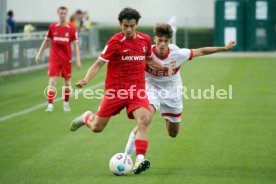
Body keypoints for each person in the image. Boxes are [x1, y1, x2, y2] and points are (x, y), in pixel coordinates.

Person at [70, 7, 171, 174]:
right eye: (125, 26)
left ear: (136, 24)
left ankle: (139, 160)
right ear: (120, 24)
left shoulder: (144, 40)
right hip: (115, 91)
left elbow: (149, 59)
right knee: (97, 127)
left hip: (137, 90)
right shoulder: (114, 42)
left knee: (144, 120)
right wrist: (86, 79)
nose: (129, 30)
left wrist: (163, 67)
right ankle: (86, 117)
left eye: (132, 26)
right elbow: (99, 64)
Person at [123, 23, 236, 159]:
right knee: (144, 120)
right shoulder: (146, 52)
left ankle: (166, 114)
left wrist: (224, 48)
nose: (162, 44)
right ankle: (126, 157)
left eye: (166, 41)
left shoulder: (177, 53)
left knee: (173, 133)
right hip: (150, 89)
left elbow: (201, 51)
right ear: (154, 40)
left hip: (172, 92)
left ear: (169, 41)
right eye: (160, 40)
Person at [35, 6, 81, 112]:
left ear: (67, 14)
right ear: (58, 14)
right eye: (60, 13)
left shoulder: (71, 29)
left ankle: (66, 103)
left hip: (66, 59)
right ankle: (50, 105)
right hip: (54, 59)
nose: (62, 15)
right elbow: (46, 41)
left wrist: (78, 60)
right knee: (52, 81)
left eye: (64, 13)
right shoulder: (52, 27)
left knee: (67, 82)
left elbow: (76, 46)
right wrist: (39, 54)